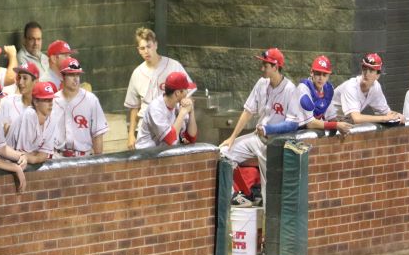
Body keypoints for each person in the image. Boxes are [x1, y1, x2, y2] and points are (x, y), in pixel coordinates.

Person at [219, 48, 308, 205]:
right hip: (257, 138)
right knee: (223, 153)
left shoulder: (289, 89)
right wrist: (232, 138)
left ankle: (268, 224)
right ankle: (240, 196)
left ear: (275, 67)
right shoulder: (261, 83)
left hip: (274, 145)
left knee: (270, 197)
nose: (262, 68)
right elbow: (248, 111)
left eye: (265, 65)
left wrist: (270, 130)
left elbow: (293, 124)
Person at [124, 28, 193, 149]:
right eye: (142, 48)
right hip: (147, 130)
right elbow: (134, 106)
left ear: (155, 45)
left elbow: (189, 91)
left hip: (171, 124)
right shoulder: (137, 73)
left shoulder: (173, 65)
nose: (146, 51)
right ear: (138, 50)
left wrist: (185, 110)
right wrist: (131, 134)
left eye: (149, 46)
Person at [52, 57, 108, 157]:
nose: (75, 79)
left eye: (77, 74)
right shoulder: (53, 100)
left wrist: (99, 162)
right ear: (62, 76)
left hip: (83, 157)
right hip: (57, 157)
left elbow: (97, 134)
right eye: (71, 74)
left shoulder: (91, 100)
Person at [333, 53, 405, 125]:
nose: (366, 73)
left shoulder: (376, 87)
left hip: (342, 122)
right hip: (326, 120)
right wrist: (384, 118)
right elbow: (356, 118)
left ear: (377, 75)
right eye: (364, 69)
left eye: (371, 70)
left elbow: (386, 112)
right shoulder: (351, 86)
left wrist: (397, 115)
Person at [134, 72, 198, 149]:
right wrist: (183, 112)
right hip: (146, 154)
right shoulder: (156, 108)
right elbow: (170, 139)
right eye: (186, 90)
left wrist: (191, 111)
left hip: (162, 152)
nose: (187, 93)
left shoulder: (178, 105)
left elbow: (191, 139)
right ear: (177, 93)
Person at [296, 55, 353, 134]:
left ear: (328, 76)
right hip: (293, 132)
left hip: (307, 132)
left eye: (324, 75)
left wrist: (342, 124)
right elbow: (310, 124)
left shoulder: (328, 89)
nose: (321, 78)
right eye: (318, 74)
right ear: (312, 73)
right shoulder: (304, 89)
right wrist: (336, 125)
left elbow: (331, 117)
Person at [8, 81, 59, 164]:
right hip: (7, 162)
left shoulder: (52, 117)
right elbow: (22, 156)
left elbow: (43, 155)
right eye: (46, 100)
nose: (50, 104)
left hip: (22, 163)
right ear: (35, 102)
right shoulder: (30, 114)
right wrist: (36, 156)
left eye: (51, 99)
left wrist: (35, 158)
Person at [0, 61, 39, 135]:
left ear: (35, 81)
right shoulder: (7, 102)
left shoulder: (42, 106)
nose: (20, 82)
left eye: (25, 78)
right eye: (19, 77)